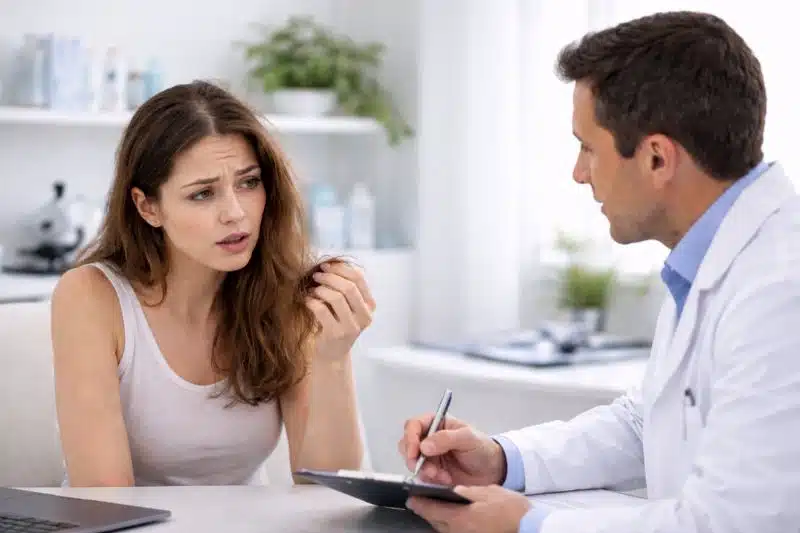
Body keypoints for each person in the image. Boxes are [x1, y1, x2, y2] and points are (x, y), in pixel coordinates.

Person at [399, 11, 800, 533]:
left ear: (657, 158)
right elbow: (645, 423)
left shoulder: (779, 289)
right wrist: (499, 458)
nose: (579, 172)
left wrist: (533, 526)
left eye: (588, 146)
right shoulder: (711, 262)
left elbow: (731, 524)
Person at [51, 80, 374, 487]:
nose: (235, 213)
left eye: (249, 182)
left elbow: (328, 490)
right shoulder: (90, 296)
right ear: (147, 206)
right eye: (203, 194)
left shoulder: (287, 295)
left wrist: (332, 356)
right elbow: (107, 502)